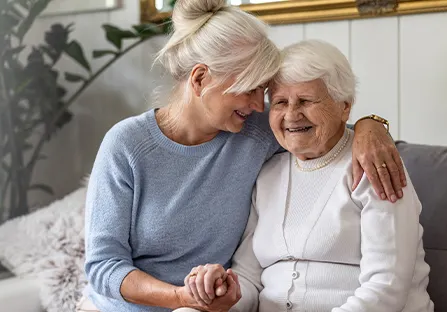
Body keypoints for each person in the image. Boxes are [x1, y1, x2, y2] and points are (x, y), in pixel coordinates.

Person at [80, 0, 407, 311]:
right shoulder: (126, 145)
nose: (257, 105)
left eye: (262, 92)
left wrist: (372, 126)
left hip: (210, 307)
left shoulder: (252, 130)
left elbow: (330, 127)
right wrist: (181, 298)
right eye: (249, 89)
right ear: (200, 79)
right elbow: (103, 265)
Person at [185, 40, 434, 312]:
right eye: (280, 102)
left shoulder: (372, 165)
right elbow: (249, 277)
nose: (291, 115)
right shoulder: (268, 173)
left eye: (306, 100)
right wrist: (223, 294)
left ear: (344, 107)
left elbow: (385, 288)